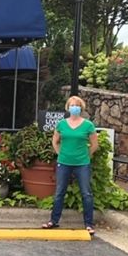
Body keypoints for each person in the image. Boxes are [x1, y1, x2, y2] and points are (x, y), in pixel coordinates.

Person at [43, 95, 98, 235]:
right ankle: (53, 221)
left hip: (82, 163)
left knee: (86, 193)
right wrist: (60, 154)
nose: (75, 107)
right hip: (64, 162)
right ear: (68, 107)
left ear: (81, 108)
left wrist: (87, 155)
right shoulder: (61, 124)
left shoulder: (88, 125)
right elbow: (55, 141)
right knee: (59, 193)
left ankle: (89, 224)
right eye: (72, 105)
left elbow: (94, 144)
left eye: (77, 105)